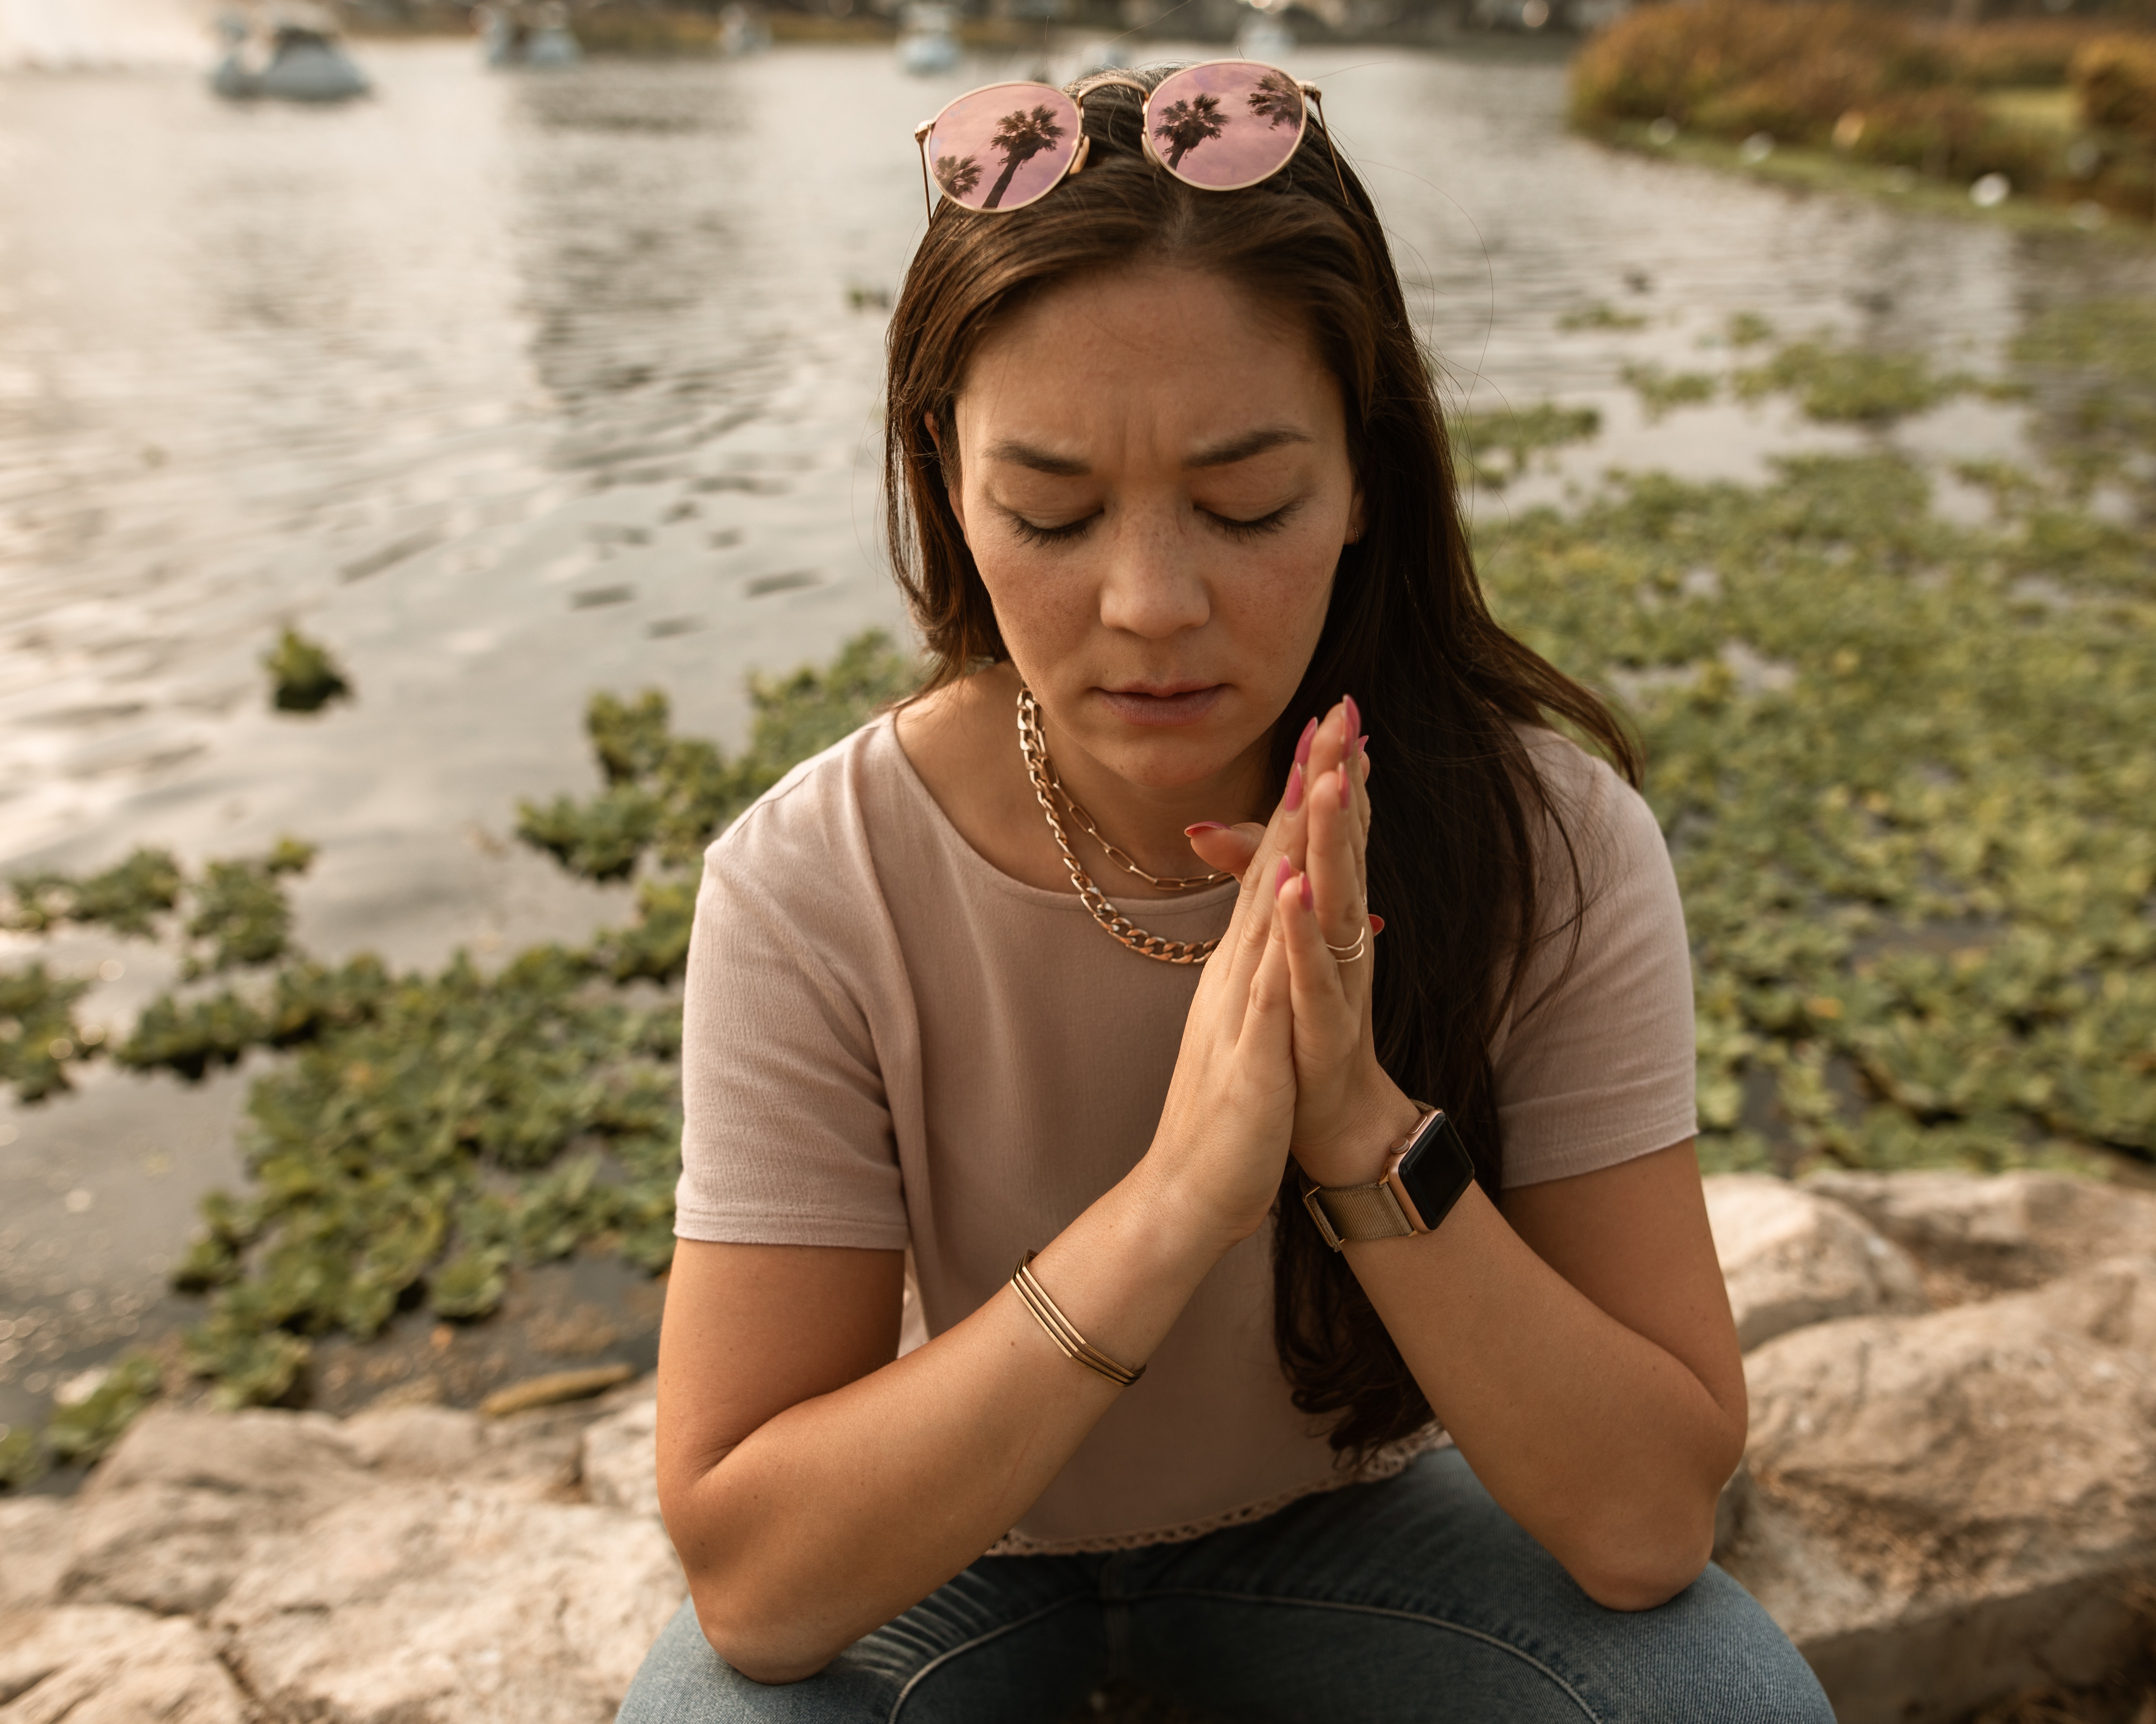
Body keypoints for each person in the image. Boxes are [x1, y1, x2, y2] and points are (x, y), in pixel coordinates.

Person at [618, 61, 1835, 1724]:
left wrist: (1351, 1131)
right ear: (945, 484)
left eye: (1246, 501)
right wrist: (1179, 1198)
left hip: (1360, 1530)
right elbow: (757, 1591)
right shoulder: (813, 883)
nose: (1152, 603)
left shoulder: (1545, 839)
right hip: (956, 1547)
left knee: (1719, 1703)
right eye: (1049, 511)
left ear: (1363, 479)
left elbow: (1642, 1530)